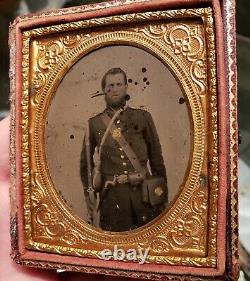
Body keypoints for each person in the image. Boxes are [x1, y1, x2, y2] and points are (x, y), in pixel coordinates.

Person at [80, 68, 167, 232]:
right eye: (110, 85)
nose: (115, 89)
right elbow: (86, 166)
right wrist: (89, 196)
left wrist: (161, 196)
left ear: (126, 87)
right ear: (104, 90)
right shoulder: (94, 124)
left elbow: (157, 159)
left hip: (144, 195)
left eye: (119, 84)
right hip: (112, 200)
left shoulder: (142, 117)